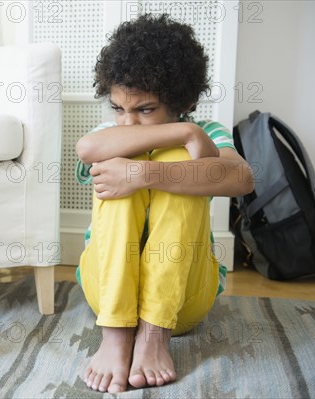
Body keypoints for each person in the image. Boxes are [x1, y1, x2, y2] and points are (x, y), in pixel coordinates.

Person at [75, 14, 254, 393]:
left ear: (184, 101)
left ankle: (154, 335)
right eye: (119, 109)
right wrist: (183, 131)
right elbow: (88, 149)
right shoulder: (110, 136)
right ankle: (117, 335)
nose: (128, 123)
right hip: (105, 293)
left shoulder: (208, 133)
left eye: (145, 110)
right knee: (125, 159)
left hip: (181, 302)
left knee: (183, 162)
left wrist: (143, 175)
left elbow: (242, 178)